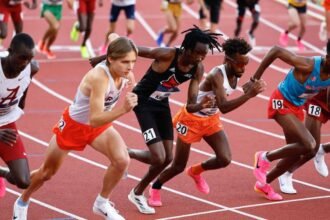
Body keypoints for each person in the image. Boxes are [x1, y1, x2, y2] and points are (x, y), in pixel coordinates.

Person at [12, 36, 138, 220]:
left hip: (99, 126)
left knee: (121, 161)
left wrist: (131, 83)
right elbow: (94, 118)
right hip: (75, 126)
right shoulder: (99, 78)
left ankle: (102, 203)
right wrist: (124, 109)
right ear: (110, 59)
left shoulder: (125, 71)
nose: (130, 67)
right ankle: (22, 200)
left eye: (134, 61)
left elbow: (113, 37)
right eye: (125, 62)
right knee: (46, 173)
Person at [147, 38, 265, 206]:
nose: (243, 69)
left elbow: (249, 83)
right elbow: (224, 106)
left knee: (225, 159)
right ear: (228, 60)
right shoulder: (217, 75)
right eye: (240, 64)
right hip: (191, 119)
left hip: (210, 119)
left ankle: (196, 171)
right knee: (178, 165)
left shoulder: (237, 72)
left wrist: (254, 85)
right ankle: (156, 187)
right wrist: (248, 95)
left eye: (246, 64)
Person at [248, 41, 330, 201]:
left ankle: (264, 184)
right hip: (280, 101)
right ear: (327, 57)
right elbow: (275, 50)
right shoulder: (308, 65)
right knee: (309, 144)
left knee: (297, 153)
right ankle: (264, 157)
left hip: (296, 107)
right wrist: (254, 79)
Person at [0, 33, 39, 198]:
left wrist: (20, 105)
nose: (25, 63)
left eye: (29, 59)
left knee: (22, 180)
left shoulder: (32, 67)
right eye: (21, 58)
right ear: (10, 52)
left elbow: (24, 86)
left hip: (5, 123)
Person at [278, 88, 330, 194]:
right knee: (310, 147)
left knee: (314, 149)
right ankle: (285, 171)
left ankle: (323, 149)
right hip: (319, 101)